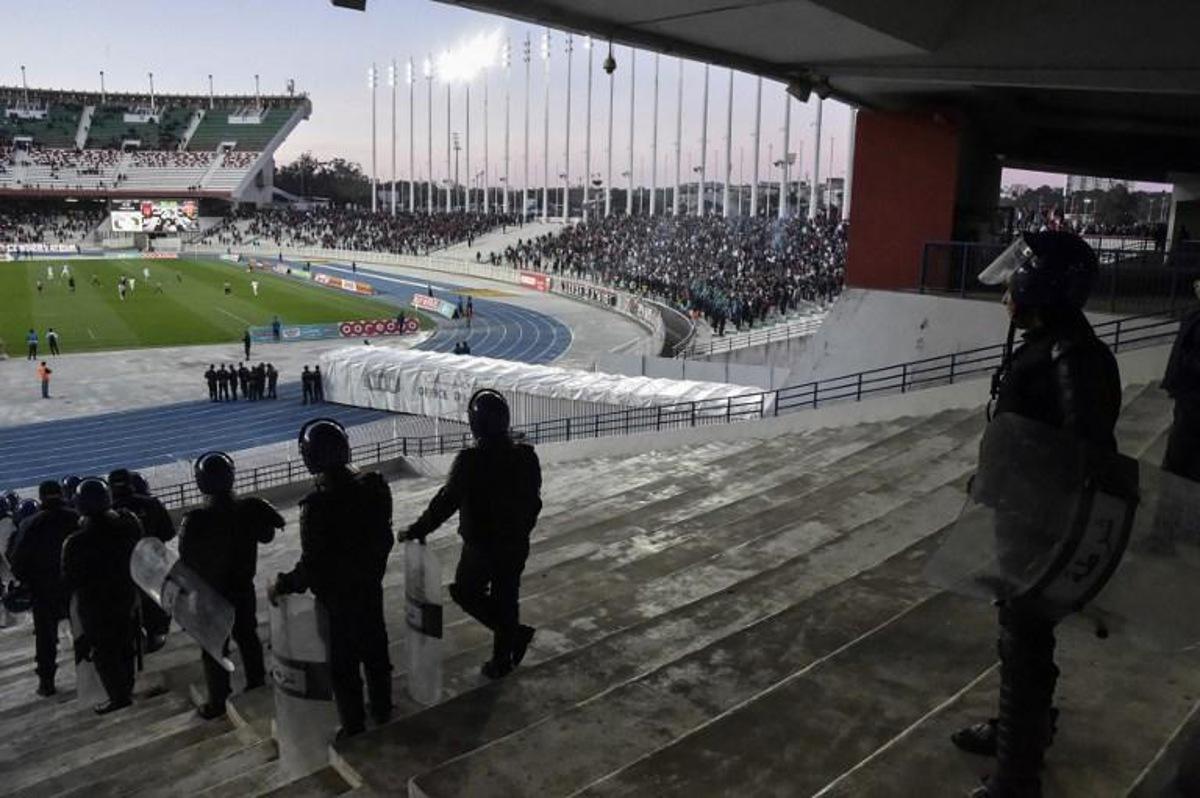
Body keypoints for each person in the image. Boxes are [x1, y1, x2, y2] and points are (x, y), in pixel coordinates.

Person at [951, 231, 1121, 798]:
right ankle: (1022, 730)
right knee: (1023, 639)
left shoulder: (1070, 357)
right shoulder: (1054, 345)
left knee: (1023, 642)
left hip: (1041, 526)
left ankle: (1016, 777)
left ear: (1042, 288)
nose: (1007, 296)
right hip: (1021, 513)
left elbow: (1084, 454)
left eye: (1016, 284)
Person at [269, 419, 394, 738]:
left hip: (336, 601)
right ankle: (382, 708)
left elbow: (312, 566)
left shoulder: (317, 506)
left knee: (342, 665)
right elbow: (384, 539)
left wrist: (283, 583)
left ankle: (353, 725)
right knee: (376, 650)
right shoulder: (376, 487)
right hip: (369, 588)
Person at [405, 390, 541, 679]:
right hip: (515, 543)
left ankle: (513, 637)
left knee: (465, 592)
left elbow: (446, 501)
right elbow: (534, 502)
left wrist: (418, 529)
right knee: (507, 599)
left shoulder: (470, 460)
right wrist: (521, 531)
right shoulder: (526, 456)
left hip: (482, 547)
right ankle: (503, 657)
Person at [180, 452, 284, 718]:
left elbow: (186, 562)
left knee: (214, 648)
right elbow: (268, 535)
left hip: (212, 594)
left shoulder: (195, 520)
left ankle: (218, 701)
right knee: (248, 637)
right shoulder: (249, 509)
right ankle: (256, 682)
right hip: (242, 588)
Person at [61, 478, 142, 715]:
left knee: (104, 652)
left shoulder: (75, 543)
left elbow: (69, 580)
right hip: (125, 597)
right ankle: (126, 688)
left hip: (94, 607)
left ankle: (118, 697)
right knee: (125, 644)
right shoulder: (127, 528)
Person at [9, 481, 79, 697]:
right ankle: (95, 673)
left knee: (46, 638)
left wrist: (31, 582)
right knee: (85, 627)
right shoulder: (76, 517)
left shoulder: (30, 524)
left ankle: (46, 682)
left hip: (44, 590)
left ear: (41, 497)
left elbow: (17, 562)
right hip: (76, 586)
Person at [109, 469, 176, 652]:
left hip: (121, 571)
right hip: (151, 565)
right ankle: (157, 632)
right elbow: (168, 533)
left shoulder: (109, 512)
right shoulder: (151, 504)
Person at [1159, 278, 1200, 482]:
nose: (1196, 286)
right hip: (1186, 392)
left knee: (1183, 450)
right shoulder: (1195, 314)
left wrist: (1185, 362)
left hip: (1194, 394)